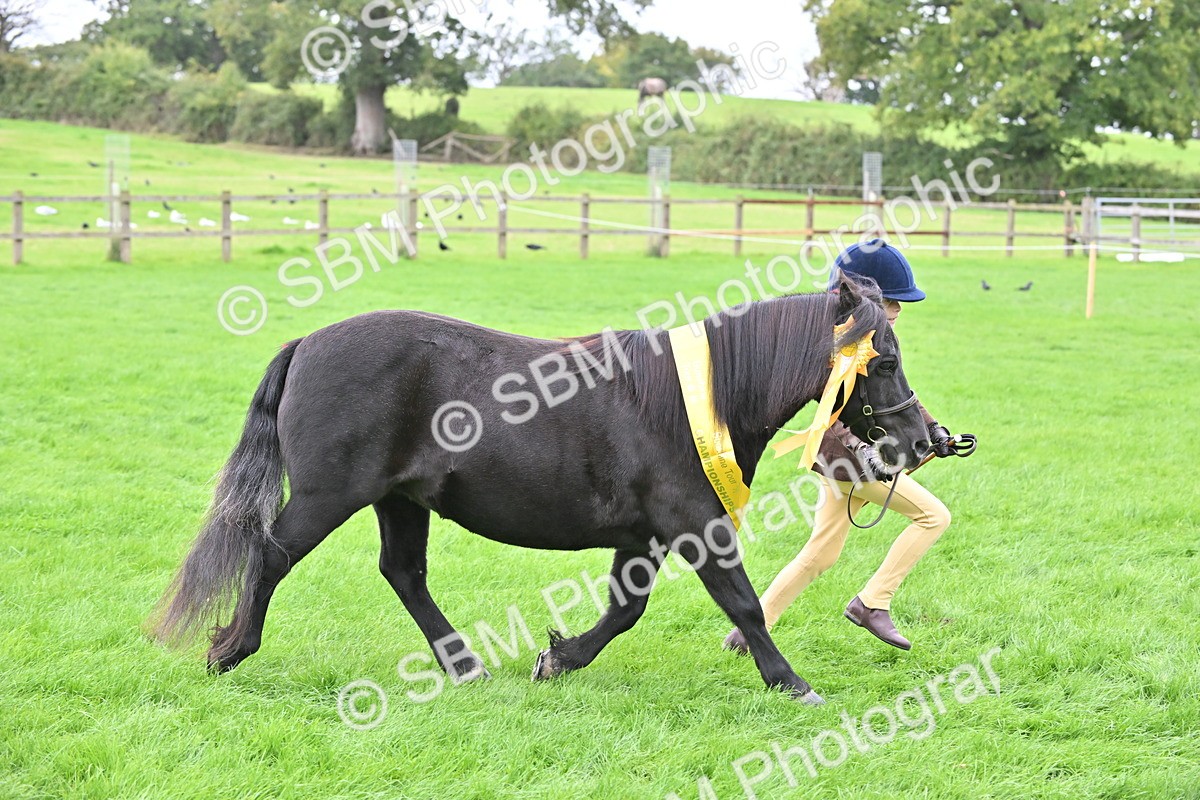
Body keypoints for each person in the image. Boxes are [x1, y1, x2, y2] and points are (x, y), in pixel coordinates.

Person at [725, 239, 971, 652]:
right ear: (867, 297)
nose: (897, 311)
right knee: (933, 517)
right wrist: (861, 449)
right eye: (893, 302)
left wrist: (935, 431)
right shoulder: (837, 345)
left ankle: (748, 633)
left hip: (840, 465)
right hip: (854, 464)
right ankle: (873, 603)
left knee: (819, 555)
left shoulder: (873, 336)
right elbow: (830, 412)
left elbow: (898, 395)